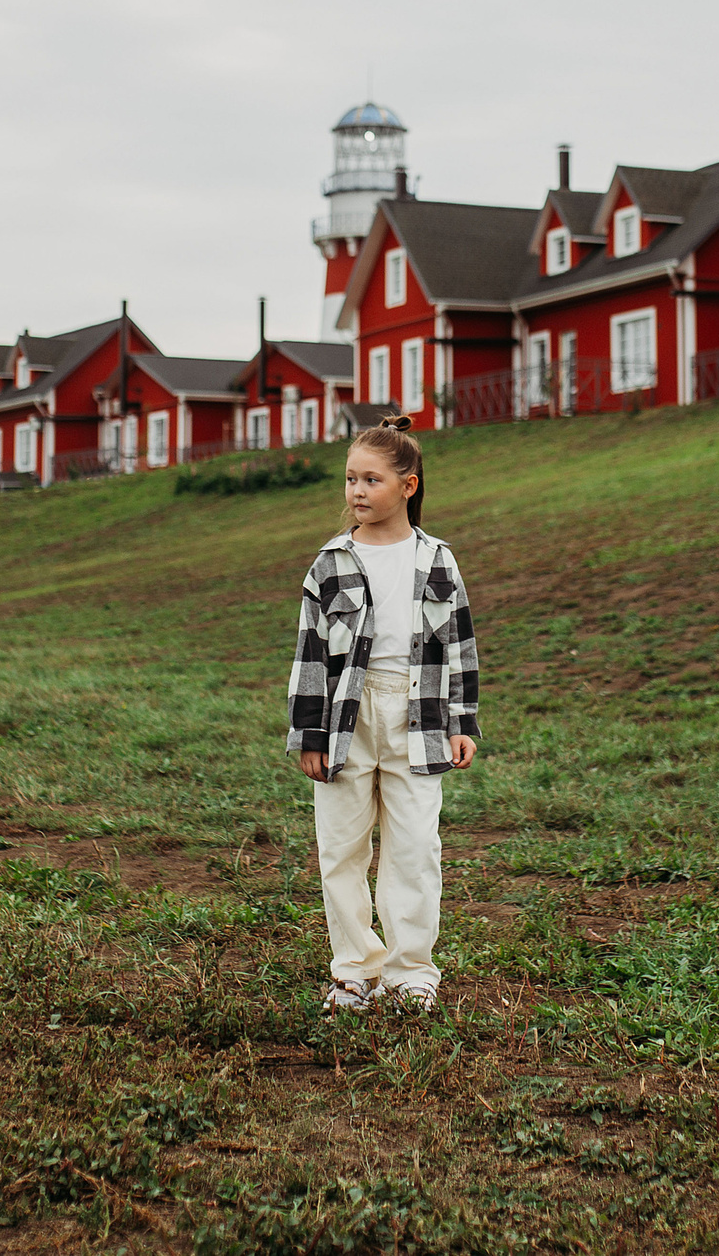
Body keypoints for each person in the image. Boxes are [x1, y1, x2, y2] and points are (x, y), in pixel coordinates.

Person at [284, 417, 480, 1011]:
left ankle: (410, 972)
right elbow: (310, 654)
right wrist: (310, 734)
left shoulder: (437, 561)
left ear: (409, 485)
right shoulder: (330, 564)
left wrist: (462, 721)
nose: (357, 492)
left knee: (415, 847)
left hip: (418, 715)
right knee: (340, 847)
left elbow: (460, 647)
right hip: (346, 717)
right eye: (350, 480)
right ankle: (355, 971)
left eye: (371, 479)